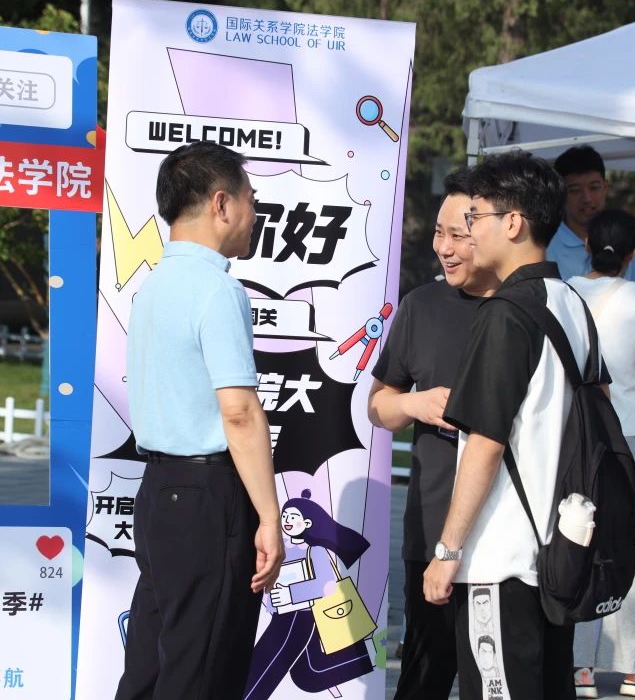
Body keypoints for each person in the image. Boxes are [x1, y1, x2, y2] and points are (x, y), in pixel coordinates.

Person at [424, 150, 598, 700]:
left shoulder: (505, 313)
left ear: (514, 223)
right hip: (560, 553)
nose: (469, 231)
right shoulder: (573, 304)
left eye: (475, 217)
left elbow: (485, 443)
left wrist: (447, 551)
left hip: (501, 559)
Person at [115, 141, 284, 700]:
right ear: (221, 204)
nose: (255, 214)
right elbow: (238, 411)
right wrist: (269, 517)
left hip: (159, 490)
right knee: (202, 671)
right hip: (208, 498)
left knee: (151, 665)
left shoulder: (154, 285)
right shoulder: (216, 288)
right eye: (251, 199)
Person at [368, 166, 500, 699]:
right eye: (438, 233)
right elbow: (379, 405)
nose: (444, 248)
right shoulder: (421, 306)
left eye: (458, 235)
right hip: (430, 527)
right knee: (423, 677)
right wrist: (414, 404)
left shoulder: (526, 309)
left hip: (507, 536)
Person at [568, 209, 635, 698]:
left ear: (587, 245)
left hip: (577, 430)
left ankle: (579, 667)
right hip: (631, 431)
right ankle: (633, 670)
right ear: (632, 254)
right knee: (631, 539)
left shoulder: (565, 291)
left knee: (577, 532)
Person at [243, 490, 374, 699]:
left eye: (293, 517)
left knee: (264, 664)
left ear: (307, 523)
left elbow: (326, 585)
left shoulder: (315, 550)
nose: (287, 520)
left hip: (300, 616)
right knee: (309, 673)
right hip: (281, 613)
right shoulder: (279, 545)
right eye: (285, 516)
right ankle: (361, 658)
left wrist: (291, 595)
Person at [548, 145, 635, 283]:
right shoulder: (546, 242)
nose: (587, 199)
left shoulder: (628, 236)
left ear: (605, 187)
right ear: (560, 194)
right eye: (575, 190)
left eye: (594, 188)